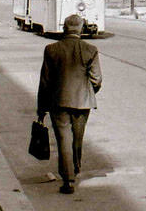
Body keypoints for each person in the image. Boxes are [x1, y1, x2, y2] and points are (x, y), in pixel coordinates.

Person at [37, 14, 102, 194]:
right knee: (77, 138)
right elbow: (97, 80)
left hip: (58, 102)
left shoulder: (51, 49)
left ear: (65, 28)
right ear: (80, 29)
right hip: (83, 102)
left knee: (64, 140)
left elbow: (45, 82)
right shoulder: (91, 50)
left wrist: (41, 108)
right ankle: (76, 168)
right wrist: (87, 92)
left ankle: (68, 179)